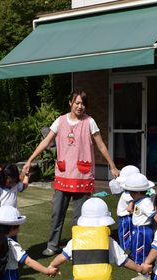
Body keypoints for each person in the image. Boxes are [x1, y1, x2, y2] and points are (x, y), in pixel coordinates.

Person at [22, 89, 120, 256]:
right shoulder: (60, 121)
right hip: (63, 175)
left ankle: (78, 246)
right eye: (77, 103)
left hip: (82, 175)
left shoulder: (90, 122)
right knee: (57, 213)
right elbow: (46, 141)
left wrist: (112, 166)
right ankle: (52, 246)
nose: (80, 106)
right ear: (70, 103)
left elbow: (101, 145)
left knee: (79, 217)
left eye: (83, 103)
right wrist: (30, 160)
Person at [121, 173, 156, 280]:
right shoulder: (139, 200)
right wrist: (132, 202)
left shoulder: (146, 203)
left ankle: (146, 274)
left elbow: (153, 215)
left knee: (143, 251)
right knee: (138, 250)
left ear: (138, 192)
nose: (129, 194)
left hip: (143, 231)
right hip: (138, 230)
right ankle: (143, 271)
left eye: (131, 192)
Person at [0, 164, 29, 241]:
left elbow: (24, 186)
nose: (11, 184)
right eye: (9, 182)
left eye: (14, 181)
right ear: (3, 178)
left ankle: (13, 251)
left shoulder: (15, 185)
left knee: (13, 238)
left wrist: (26, 176)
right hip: (2, 219)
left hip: (13, 218)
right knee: (2, 239)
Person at [111, 165, 140, 251]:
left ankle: (128, 245)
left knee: (127, 232)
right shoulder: (128, 195)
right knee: (125, 232)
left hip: (127, 217)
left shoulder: (127, 193)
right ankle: (126, 246)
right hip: (125, 218)